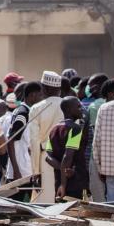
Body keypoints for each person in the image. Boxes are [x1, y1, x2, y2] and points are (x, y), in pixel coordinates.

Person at [27, 71, 65, 203]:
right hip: (67, 158)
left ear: (44, 88)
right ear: (58, 89)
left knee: (45, 206)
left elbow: (34, 142)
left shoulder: (36, 108)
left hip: (45, 159)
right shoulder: (69, 105)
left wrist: (36, 172)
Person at [46, 96, 88, 200]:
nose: (81, 109)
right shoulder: (75, 129)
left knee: (62, 213)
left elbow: (48, 157)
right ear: (69, 110)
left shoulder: (53, 129)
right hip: (75, 180)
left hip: (59, 181)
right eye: (78, 107)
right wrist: (64, 184)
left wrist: (61, 170)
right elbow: (67, 156)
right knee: (77, 212)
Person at [5, 81, 40, 187]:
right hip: (21, 172)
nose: (42, 98)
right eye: (40, 95)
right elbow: (10, 141)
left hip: (25, 169)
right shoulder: (23, 114)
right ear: (32, 95)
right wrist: (16, 170)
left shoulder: (26, 111)